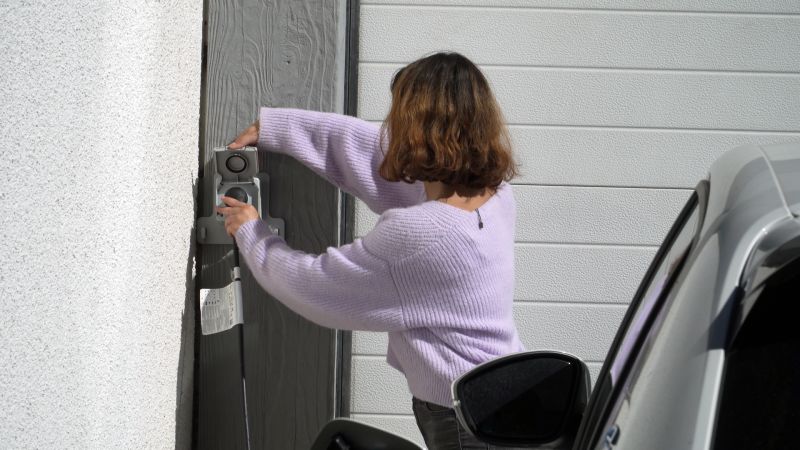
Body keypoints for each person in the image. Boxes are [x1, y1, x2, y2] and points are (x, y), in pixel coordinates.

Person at [219, 52, 523, 450]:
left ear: (414, 131)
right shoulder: (494, 194)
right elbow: (371, 153)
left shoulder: (423, 235)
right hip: (508, 397)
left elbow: (316, 287)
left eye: (397, 117)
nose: (389, 127)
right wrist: (277, 127)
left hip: (466, 423)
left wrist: (252, 233)